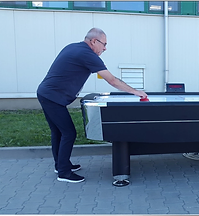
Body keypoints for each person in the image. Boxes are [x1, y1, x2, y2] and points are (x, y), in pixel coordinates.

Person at [37, 28, 147, 183]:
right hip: (53, 97)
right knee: (68, 133)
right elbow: (112, 80)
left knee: (59, 132)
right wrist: (135, 92)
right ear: (94, 41)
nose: (105, 48)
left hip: (46, 93)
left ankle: (61, 165)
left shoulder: (74, 47)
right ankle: (63, 172)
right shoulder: (87, 54)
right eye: (104, 44)